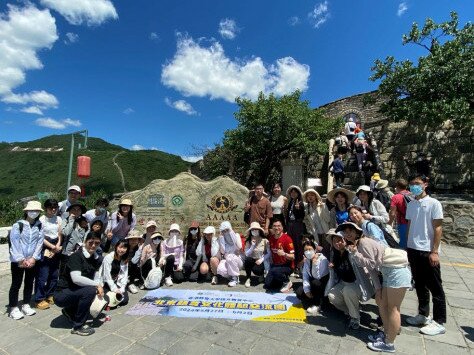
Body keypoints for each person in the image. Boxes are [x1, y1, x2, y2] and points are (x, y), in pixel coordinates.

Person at [338, 222, 411, 353]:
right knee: (382, 303)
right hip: (388, 272)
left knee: (393, 308)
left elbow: (372, 264)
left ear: (357, 231)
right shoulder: (357, 245)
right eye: (345, 232)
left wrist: (356, 254)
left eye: (350, 230)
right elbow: (373, 270)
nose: (348, 234)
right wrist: (378, 289)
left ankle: (389, 344)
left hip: (397, 271)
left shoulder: (363, 243)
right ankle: (386, 335)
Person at [405, 175, 446, 336]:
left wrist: (434, 251)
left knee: (435, 287)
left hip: (428, 250)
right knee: (420, 284)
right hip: (413, 249)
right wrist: (407, 246)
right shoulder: (411, 204)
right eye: (412, 183)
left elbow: (438, 228)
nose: (414, 186)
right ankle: (423, 314)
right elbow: (410, 225)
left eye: (417, 183)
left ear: (425, 185)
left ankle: (439, 321)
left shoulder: (434, 203)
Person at [54, 231, 103, 336]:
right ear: (85, 242)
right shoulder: (76, 256)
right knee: (90, 290)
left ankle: (70, 311)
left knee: (99, 292)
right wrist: (96, 285)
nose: (93, 245)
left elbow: (97, 276)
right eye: (91, 242)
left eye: (97, 243)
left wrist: (100, 287)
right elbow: (76, 279)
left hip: (75, 291)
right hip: (62, 293)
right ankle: (78, 326)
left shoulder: (96, 259)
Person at [325, 229, 374, 330]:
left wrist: (355, 253)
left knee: (348, 291)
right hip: (343, 282)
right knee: (332, 296)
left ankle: (355, 318)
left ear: (345, 240)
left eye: (340, 240)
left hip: (357, 284)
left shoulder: (351, 251)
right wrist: (332, 267)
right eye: (334, 241)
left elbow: (362, 264)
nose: (337, 243)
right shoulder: (335, 254)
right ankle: (353, 310)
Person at [8, 201, 45, 320]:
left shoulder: (39, 225)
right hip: (18, 261)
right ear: (26, 211)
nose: (34, 212)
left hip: (32, 260)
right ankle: (13, 308)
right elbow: (14, 243)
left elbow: (39, 242)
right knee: (16, 284)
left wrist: (34, 258)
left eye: (37, 211)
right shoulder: (18, 225)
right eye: (32, 210)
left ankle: (26, 304)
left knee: (29, 283)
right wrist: (20, 259)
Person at [35, 199, 63, 310]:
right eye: (51, 207)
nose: (53, 209)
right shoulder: (42, 219)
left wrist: (58, 245)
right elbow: (40, 236)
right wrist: (52, 247)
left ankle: (50, 294)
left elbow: (60, 233)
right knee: (43, 275)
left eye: (55, 207)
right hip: (45, 247)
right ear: (46, 208)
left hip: (56, 245)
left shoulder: (58, 218)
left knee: (54, 274)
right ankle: (39, 298)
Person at [295, 240, 329, 315]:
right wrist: (306, 290)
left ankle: (318, 303)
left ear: (315, 249)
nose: (308, 252)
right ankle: (311, 299)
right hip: (313, 283)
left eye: (310, 249)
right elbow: (305, 275)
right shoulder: (307, 260)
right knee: (299, 292)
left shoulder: (322, 259)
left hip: (322, 284)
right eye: (305, 250)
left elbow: (317, 276)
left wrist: (315, 263)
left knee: (315, 283)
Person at [264, 220, 295, 293]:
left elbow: (293, 257)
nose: (276, 228)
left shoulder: (287, 239)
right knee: (267, 285)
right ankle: (281, 280)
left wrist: (284, 254)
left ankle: (287, 281)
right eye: (274, 226)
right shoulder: (271, 238)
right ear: (272, 228)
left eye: (279, 226)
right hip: (276, 265)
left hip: (287, 265)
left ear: (282, 228)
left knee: (275, 272)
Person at [99, 239, 130, 307]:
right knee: (110, 301)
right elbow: (106, 276)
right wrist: (115, 289)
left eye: (124, 248)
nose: (121, 250)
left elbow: (125, 274)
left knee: (124, 300)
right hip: (106, 283)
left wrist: (122, 288)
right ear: (116, 247)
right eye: (120, 247)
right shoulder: (109, 257)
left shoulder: (125, 258)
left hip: (116, 281)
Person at [60, 203, 88, 275]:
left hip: (79, 253)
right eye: (74, 210)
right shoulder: (65, 221)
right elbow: (66, 233)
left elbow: (86, 236)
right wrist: (71, 220)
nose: (76, 211)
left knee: (76, 275)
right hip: (67, 253)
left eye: (78, 210)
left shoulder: (84, 222)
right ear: (69, 211)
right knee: (64, 274)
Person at [216, 221, 243, 287]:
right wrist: (221, 238)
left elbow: (239, 247)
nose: (226, 232)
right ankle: (232, 276)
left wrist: (231, 232)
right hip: (227, 261)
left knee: (230, 257)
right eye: (223, 231)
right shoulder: (222, 238)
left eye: (227, 230)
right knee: (220, 270)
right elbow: (222, 251)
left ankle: (235, 279)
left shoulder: (236, 235)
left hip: (237, 261)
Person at [285, 185, 305, 271]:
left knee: (298, 244)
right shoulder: (291, 202)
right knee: (291, 243)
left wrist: (298, 209)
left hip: (297, 225)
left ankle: (299, 264)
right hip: (290, 225)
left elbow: (302, 215)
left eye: (295, 192)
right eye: (291, 192)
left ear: (298, 193)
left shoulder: (300, 203)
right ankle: (292, 263)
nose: (293, 194)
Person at [243, 222, 269, 288]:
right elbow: (246, 254)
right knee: (247, 260)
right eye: (253, 230)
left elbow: (269, 253)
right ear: (250, 231)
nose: (254, 231)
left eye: (256, 229)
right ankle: (248, 278)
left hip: (260, 260)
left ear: (259, 230)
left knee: (257, 270)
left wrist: (261, 259)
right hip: (251, 259)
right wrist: (252, 246)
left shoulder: (264, 240)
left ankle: (261, 275)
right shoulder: (248, 241)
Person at [388, 179, 411, 249]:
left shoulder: (395, 197)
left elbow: (392, 213)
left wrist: (389, 223)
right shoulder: (411, 194)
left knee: (403, 243)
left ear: (397, 186)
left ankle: (404, 258)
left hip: (403, 223)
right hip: (413, 222)